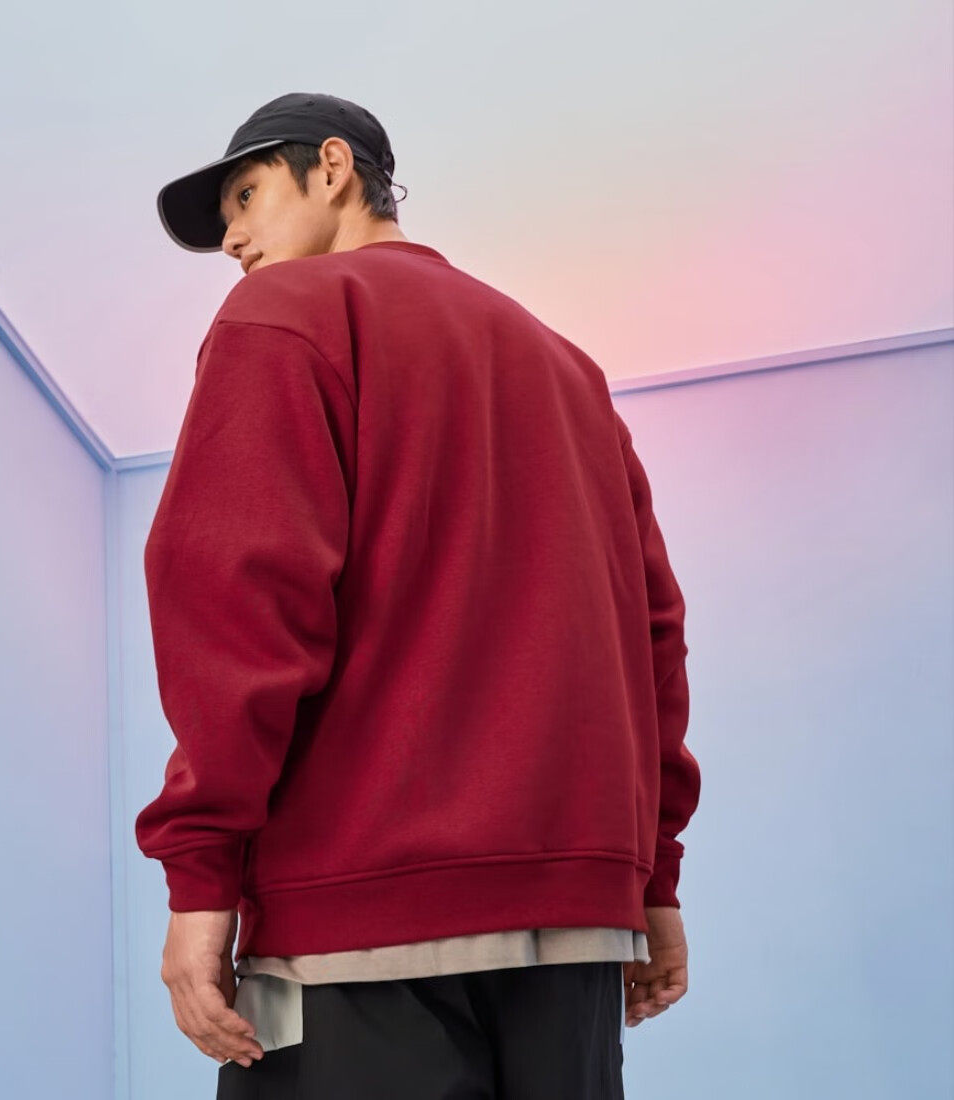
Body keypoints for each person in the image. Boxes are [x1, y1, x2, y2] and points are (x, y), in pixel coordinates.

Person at [136, 91, 702, 1099]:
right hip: (573, 936)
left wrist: (199, 878)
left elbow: (235, 604)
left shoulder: (283, 315)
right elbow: (652, 634)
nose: (231, 239)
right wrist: (653, 879)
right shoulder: (571, 373)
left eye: (245, 196)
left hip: (355, 931)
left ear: (332, 168)